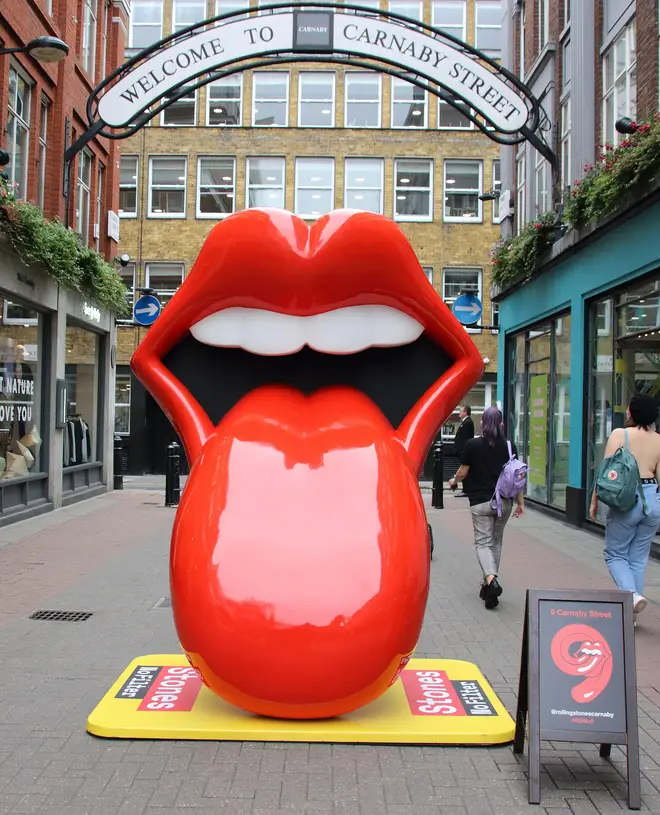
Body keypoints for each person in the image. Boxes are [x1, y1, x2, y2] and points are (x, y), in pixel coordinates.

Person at [589, 393, 660, 623]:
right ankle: (631, 616)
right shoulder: (659, 440)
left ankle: (631, 596)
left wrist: (594, 501)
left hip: (626, 500)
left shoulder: (620, 434)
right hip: (652, 499)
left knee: (615, 554)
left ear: (632, 412)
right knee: (638, 559)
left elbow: (606, 474)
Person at [449, 407, 524, 609]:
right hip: (504, 502)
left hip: (480, 501)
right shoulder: (510, 446)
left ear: (482, 423)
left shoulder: (472, 445)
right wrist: (521, 503)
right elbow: (516, 476)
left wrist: (453, 481)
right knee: (496, 543)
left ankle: (491, 579)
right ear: (501, 424)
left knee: (483, 543)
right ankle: (489, 585)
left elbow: (463, 472)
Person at [452, 405, 474, 498]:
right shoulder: (465, 422)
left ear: (465, 412)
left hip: (463, 451)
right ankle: (465, 489)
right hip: (461, 450)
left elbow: (465, 438)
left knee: (464, 470)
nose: (459, 413)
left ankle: (466, 490)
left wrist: (461, 450)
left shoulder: (467, 423)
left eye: (460, 411)